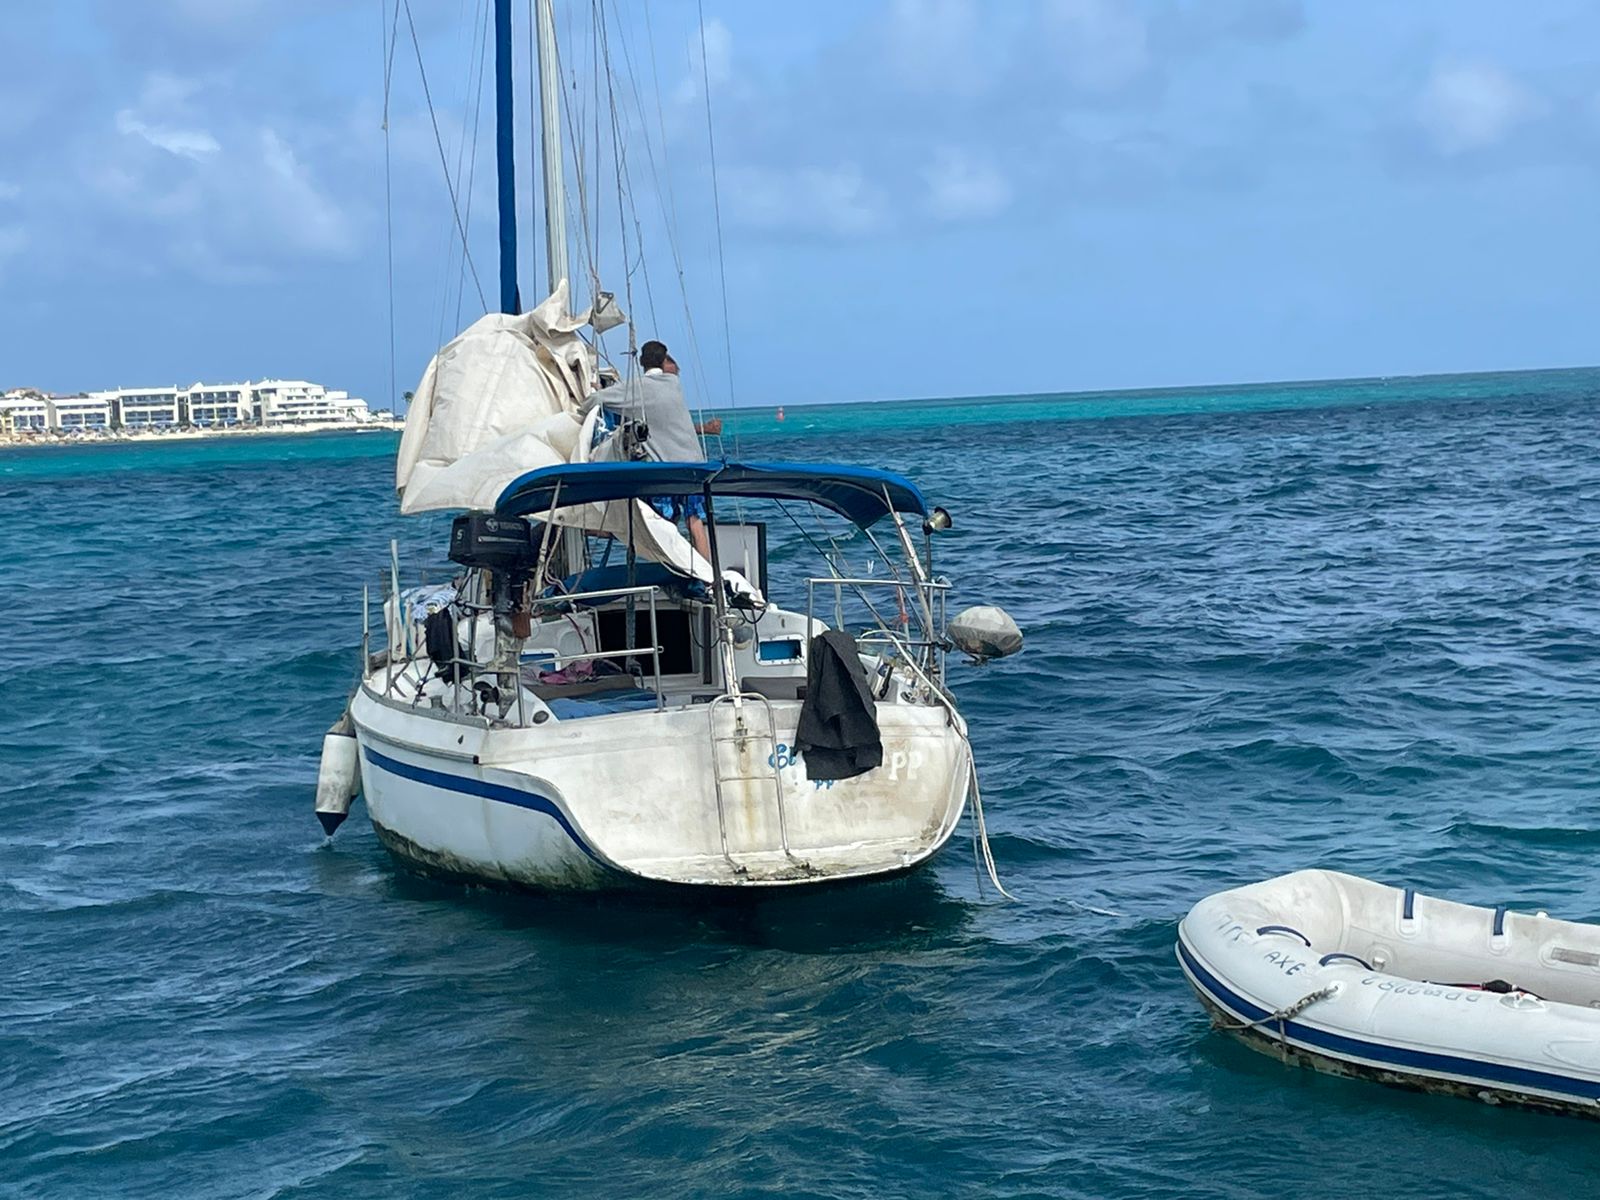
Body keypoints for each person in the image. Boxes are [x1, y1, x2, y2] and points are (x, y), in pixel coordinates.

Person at [602, 340, 717, 561]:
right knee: (695, 523)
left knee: (665, 524)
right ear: (663, 362)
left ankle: (669, 571)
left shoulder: (637, 388)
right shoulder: (673, 383)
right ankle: (708, 578)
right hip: (695, 466)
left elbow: (599, 400)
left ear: (642, 362)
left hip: (666, 469)